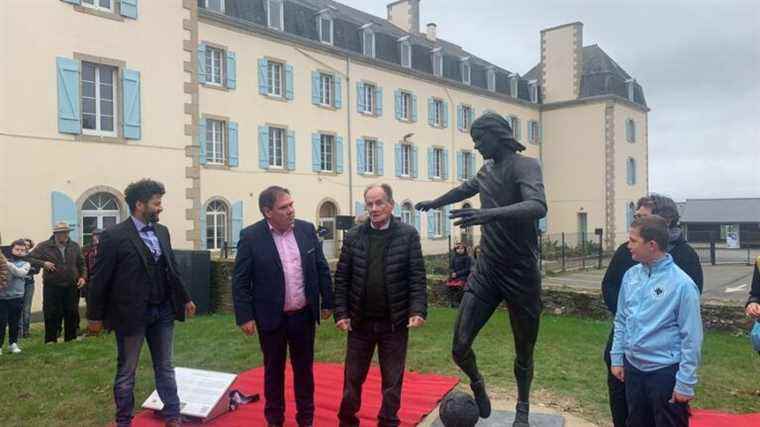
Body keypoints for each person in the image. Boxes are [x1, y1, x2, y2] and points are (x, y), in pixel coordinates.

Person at [416, 113, 546, 426]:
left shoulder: (525, 166)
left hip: (521, 272)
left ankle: (522, 409)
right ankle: (477, 383)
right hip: (487, 270)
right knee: (460, 346)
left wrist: (489, 214)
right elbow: (464, 189)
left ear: (497, 135)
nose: (476, 146)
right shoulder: (486, 170)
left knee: (524, 350)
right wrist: (435, 202)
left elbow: (538, 206)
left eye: (479, 139)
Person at [87, 179, 197, 427]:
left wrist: (186, 298)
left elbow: (172, 269)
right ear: (139, 204)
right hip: (130, 314)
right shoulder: (113, 236)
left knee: (165, 367)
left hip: (163, 311)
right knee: (127, 371)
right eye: (156, 203)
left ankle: (172, 416)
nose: (161, 208)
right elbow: (100, 278)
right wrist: (94, 317)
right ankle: (124, 421)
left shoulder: (162, 231)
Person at [232, 186, 334, 427]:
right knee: (273, 372)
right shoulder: (251, 237)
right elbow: (240, 280)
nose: (291, 210)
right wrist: (245, 316)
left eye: (291, 205)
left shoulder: (307, 230)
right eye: (284, 207)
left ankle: (306, 419)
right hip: (271, 317)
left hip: (303, 315)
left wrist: (328, 301)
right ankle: (275, 420)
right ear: (268, 211)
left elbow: (321, 268)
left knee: (304, 371)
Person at [601, 194, 703, 427]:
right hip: (633, 369)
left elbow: (692, 337)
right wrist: (618, 358)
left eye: (633, 241)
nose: (628, 246)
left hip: (664, 373)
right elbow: (622, 320)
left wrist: (685, 381)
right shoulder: (631, 276)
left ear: (652, 245)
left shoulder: (682, 285)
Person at [334, 183, 427, 427]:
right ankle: (346, 420)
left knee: (392, 380)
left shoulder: (408, 235)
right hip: (359, 323)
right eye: (369, 204)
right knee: (352, 379)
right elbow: (342, 277)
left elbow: (416, 276)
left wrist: (417, 309)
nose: (374, 209)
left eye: (379, 203)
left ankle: (388, 421)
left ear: (391, 205)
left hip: (393, 323)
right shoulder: (354, 236)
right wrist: (341, 313)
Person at [27, 222, 86, 343]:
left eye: (66, 232)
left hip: (71, 285)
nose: (64, 235)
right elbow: (29, 258)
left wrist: (82, 277)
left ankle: (71, 338)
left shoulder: (74, 246)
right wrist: (43, 264)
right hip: (52, 285)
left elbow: (82, 264)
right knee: (51, 312)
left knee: (72, 312)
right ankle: (50, 339)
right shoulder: (44, 246)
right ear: (55, 233)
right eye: (61, 232)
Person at [1, 240, 30, 355]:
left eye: (22, 250)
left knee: (15, 322)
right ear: (11, 250)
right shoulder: (3, 261)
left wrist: (5, 263)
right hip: (2, 297)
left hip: (17, 297)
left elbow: (20, 273)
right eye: (17, 249)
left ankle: (13, 344)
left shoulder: (26, 264)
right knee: (1, 322)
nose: (19, 252)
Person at [18, 239, 39, 338]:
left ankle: (26, 332)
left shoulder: (33, 257)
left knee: (27, 308)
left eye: (28, 245)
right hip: (18, 284)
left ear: (30, 247)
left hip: (29, 284)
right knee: (19, 308)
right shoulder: (17, 256)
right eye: (24, 244)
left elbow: (37, 269)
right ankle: (19, 332)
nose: (26, 246)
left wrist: (25, 269)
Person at [447, 243, 471, 307]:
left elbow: (467, 269)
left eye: (462, 248)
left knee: (460, 289)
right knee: (450, 288)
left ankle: (460, 303)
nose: (460, 250)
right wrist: (452, 272)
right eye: (458, 248)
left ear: (464, 249)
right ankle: (452, 302)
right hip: (454, 277)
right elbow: (451, 267)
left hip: (463, 277)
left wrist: (457, 274)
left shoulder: (467, 258)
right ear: (456, 250)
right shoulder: (454, 258)